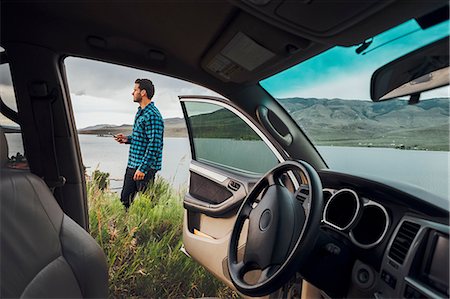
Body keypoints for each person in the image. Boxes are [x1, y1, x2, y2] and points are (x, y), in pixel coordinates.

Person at [115, 79, 164, 209]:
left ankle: (148, 228)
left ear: (143, 93)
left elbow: (154, 144)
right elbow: (141, 138)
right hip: (132, 165)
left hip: (144, 170)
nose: (132, 93)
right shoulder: (141, 112)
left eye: (135, 90)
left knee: (146, 206)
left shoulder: (153, 115)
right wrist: (127, 139)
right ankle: (125, 229)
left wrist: (143, 168)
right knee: (124, 202)